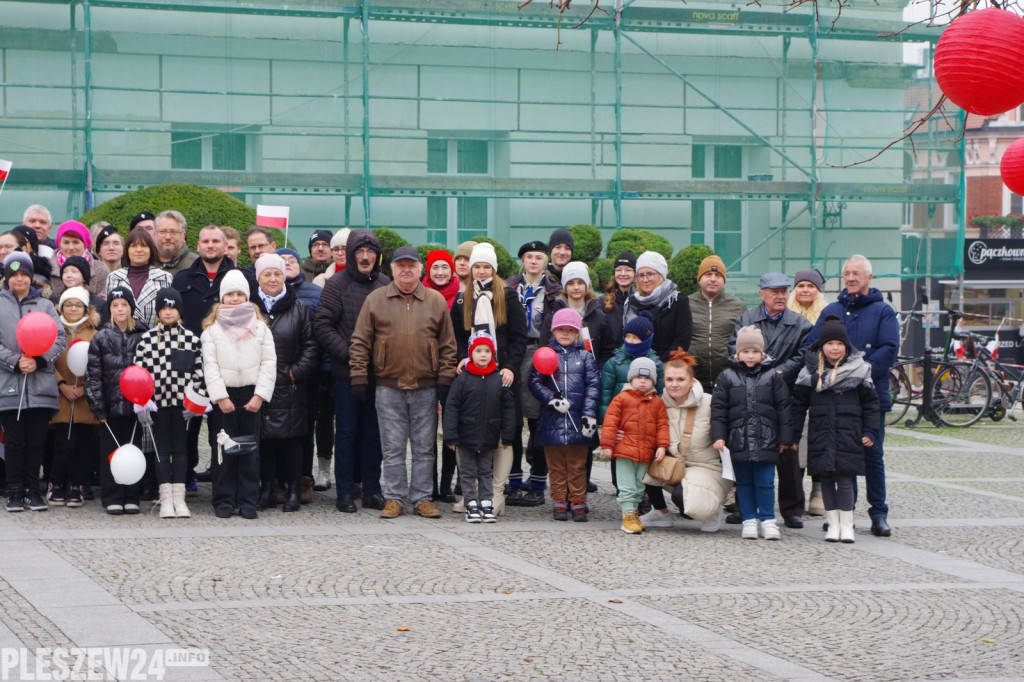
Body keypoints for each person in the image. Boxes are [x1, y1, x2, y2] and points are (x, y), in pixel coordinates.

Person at [348, 246, 458, 520]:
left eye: (411, 265)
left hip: (426, 386)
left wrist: (445, 378)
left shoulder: (435, 301)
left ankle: (422, 498)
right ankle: (395, 497)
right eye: (401, 266)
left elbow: (447, 344)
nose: (406, 270)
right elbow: (360, 341)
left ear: (420, 269)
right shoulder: (376, 300)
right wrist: (359, 376)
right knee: (392, 446)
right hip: (388, 386)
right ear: (392, 269)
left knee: (424, 447)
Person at [806, 254, 899, 537]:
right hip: (834, 400)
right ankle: (844, 515)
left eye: (856, 273)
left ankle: (878, 513)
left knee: (872, 456)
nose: (851, 278)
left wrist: (859, 371)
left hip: (869, 396)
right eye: (846, 273)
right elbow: (811, 347)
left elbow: (889, 349)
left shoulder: (883, 311)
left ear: (869, 277)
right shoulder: (831, 310)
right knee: (842, 458)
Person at [313, 229, 391, 513]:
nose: (365, 256)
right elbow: (322, 326)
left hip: (380, 374)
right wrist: (351, 355)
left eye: (370, 252)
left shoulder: (385, 283)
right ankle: (344, 491)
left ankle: (372, 489)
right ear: (351, 254)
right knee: (346, 432)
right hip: (345, 374)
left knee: (375, 434)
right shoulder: (336, 284)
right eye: (360, 251)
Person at [729, 272, 812, 529]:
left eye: (784, 291)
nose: (780, 296)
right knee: (748, 448)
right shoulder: (746, 319)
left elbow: (804, 355)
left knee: (787, 451)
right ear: (762, 294)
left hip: (786, 394)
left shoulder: (801, 324)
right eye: (774, 291)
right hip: (750, 393)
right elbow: (734, 349)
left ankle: (791, 509)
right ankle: (744, 507)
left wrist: (779, 371)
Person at [450, 242, 527, 510]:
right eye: (477, 267)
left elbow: (519, 338)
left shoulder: (509, 296)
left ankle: (496, 494)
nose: (481, 272)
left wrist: (511, 368)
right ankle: (471, 493)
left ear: (493, 269)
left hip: (501, 374)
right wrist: (461, 356)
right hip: (472, 374)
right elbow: (456, 337)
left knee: (504, 434)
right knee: (469, 432)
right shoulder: (462, 300)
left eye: (486, 267)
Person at [792, 316, 880, 544]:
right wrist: (792, 435)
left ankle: (847, 525)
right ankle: (833, 524)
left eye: (839, 344)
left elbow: (871, 405)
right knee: (826, 480)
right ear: (822, 346)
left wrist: (870, 431)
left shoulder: (859, 372)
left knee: (846, 480)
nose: (834, 348)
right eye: (830, 343)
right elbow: (798, 406)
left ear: (846, 346)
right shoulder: (810, 374)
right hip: (820, 432)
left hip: (849, 433)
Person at [201, 270, 277, 520]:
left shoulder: (261, 328)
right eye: (230, 294)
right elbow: (209, 366)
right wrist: (220, 396)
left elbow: (268, 363)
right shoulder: (211, 331)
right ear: (222, 298)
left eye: (239, 294)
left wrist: (260, 396)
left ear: (247, 297)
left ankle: (247, 500)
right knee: (223, 449)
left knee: (249, 451)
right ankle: (223, 499)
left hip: (251, 394)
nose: (234, 298)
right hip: (224, 395)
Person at [711, 325, 793, 541]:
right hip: (737, 438)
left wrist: (786, 437)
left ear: (762, 353)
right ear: (738, 353)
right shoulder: (727, 376)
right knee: (744, 482)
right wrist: (718, 436)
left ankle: (767, 519)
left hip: (766, 437)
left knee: (765, 481)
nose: (750, 356)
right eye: (745, 351)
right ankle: (748, 519)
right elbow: (719, 410)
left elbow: (784, 408)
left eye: (754, 351)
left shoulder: (773, 377)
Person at [0, 253, 66, 512]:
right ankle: (14, 489)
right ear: (7, 277)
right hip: (9, 385)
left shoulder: (46, 306)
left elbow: (59, 339)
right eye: (14, 275)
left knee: (36, 440)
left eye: (23, 274)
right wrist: (15, 361)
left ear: (31, 277)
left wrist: (39, 361)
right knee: (14, 441)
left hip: (40, 386)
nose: (19, 279)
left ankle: (32, 488)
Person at [252, 254, 318, 512]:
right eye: (267, 274)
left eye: (277, 274)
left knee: (291, 440)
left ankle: (293, 490)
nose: (272, 279)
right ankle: (267, 488)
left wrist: (296, 372)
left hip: (289, 384)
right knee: (265, 439)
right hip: (259, 385)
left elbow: (311, 345)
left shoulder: (299, 307)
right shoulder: (250, 306)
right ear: (258, 277)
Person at [134, 288, 204, 519]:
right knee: (161, 451)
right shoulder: (147, 340)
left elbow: (199, 373)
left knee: (181, 451)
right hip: (158, 405)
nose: (167, 312)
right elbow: (139, 372)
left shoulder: (192, 339)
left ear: (179, 311)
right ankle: (165, 498)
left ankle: (179, 498)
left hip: (183, 406)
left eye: (172, 308)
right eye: (163, 308)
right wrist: (142, 403)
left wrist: (195, 403)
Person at [529, 308, 600, 522]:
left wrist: (589, 415)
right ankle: (559, 499)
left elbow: (593, 385)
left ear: (578, 332)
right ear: (554, 331)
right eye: (561, 330)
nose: (566, 334)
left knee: (578, 464)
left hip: (578, 420)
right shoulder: (546, 354)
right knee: (557, 465)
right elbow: (535, 382)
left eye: (571, 330)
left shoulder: (586, 357)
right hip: (553, 421)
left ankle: (578, 500)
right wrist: (551, 398)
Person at [504, 240, 561, 507]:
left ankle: (538, 482)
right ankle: (513, 480)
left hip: (542, 355)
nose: (534, 261)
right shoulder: (508, 288)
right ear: (522, 261)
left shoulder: (554, 292)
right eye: (529, 256)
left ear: (546, 262)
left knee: (539, 421)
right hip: (514, 353)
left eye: (539, 257)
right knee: (512, 420)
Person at [654, 348, 733, 532]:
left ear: (691, 381)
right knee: (637, 460)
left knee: (683, 499)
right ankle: (660, 511)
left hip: (707, 468)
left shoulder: (709, 402)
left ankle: (713, 508)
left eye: (680, 379)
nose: (674, 384)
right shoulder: (659, 404)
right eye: (669, 379)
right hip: (677, 464)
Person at [442, 330, 516, 523]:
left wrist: (507, 436)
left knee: (485, 471)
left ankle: (486, 502)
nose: (483, 355)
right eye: (478, 351)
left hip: (489, 436)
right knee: (467, 472)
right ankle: (471, 503)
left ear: (493, 354)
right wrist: (450, 436)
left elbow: (508, 409)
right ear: (470, 354)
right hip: (465, 435)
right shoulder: (462, 379)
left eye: (487, 351)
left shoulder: (498, 379)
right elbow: (451, 408)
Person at [85, 286, 146, 515]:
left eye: (124, 305)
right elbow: (93, 376)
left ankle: (131, 495)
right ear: (109, 309)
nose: (120, 309)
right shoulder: (101, 338)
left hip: (135, 406)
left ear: (131, 307)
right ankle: (111, 495)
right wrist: (98, 408)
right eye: (115, 305)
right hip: (110, 406)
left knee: (133, 449)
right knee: (111, 451)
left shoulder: (142, 334)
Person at [278, 247, 329, 492]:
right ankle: (277, 480)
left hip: (306, 374)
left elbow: (319, 334)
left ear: (300, 265)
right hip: (275, 375)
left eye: (292, 260)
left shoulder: (314, 292)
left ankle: (303, 479)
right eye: (282, 260)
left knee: (305, 429)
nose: (287, 263)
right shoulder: (264, 293)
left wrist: (305, 368)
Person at [600, 356, 669, 534]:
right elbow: (610, 422)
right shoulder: (621, 398)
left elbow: (662, 425)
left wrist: (662, 445)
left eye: (647, 378)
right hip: (624, 451)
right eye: (639, 377)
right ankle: (627, 516)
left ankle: (634, 514)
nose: (642, 382)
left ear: (653, 380)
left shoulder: (657, 403)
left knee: (639, 485)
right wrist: (607, 444)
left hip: (645, 453)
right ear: (631, 379)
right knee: (626, 485)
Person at [47, 286, 100, 509]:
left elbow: (98, 364)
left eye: (78, 305)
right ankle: (56, 482)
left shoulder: (95, 333)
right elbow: (46, 360)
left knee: (83, 444)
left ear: (86, 309)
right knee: (63, 444)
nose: (74, 309)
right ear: (61, 307)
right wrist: (61, 384)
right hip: (61, 395)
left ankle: (77, 485)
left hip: (84, 397)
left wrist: (84, 387)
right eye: (69, 304)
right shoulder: (53, 330)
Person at [787, 267, 828, 516]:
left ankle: (819, 490)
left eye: (810, 286)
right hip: (793, 386)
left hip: (821, 384)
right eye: (800, 285)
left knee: (819, 436)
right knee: (797, 438)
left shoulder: (827, 313)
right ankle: (796, 492)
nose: (805, 290)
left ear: (818, 289)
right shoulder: (787, 312)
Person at [688, 255, 747, 392]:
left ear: (724, 280)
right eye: (708, 274)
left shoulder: (738, 306)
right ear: (699, 278)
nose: (713, 279)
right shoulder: (685, 304)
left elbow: (743, 342)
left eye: (718, 275)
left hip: (728, 380)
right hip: (692, 381)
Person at [541, 261, 614, 367]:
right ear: (565, 287)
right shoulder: (554, 315)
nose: (576, 287)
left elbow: (607, 350)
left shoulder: (598, 316)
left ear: (586, 285)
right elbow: (544, 348)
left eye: (580, 282)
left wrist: (599, 371)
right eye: (570, 283)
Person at [623, 251, 692, 361]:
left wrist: (657, 364)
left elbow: (682, 341)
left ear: (661, 275)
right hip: (635, 366)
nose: (645, 280)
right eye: (641, 275)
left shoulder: (677, 300)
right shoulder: (631, 302)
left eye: (650, 274)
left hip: (667, 367)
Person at [106, 228, 174, 328]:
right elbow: (109, 313)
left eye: (144, 246)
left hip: (155, 339)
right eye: (133, 246)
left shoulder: (165, 278)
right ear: (127, 250)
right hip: (122, 340)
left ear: (151, 250)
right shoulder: (114, 278)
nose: (139, 250)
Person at [49, 221, 110, 300]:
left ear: (85, 244)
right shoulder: (47, 268)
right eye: (66, 242)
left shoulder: (100, 270)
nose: (71, 247)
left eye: (76, 242)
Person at [602, 250, 636, 343]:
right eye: (619, 270)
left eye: (628, 270)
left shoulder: (642, 301)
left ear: (635, 273)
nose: (623, 274)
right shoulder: (603, 302)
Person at [155, 211, 198, 275]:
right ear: (155, 234)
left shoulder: (197, 264)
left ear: (183, 236)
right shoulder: (143, 263)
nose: (168, 237)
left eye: (173, 232)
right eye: (163, 231)